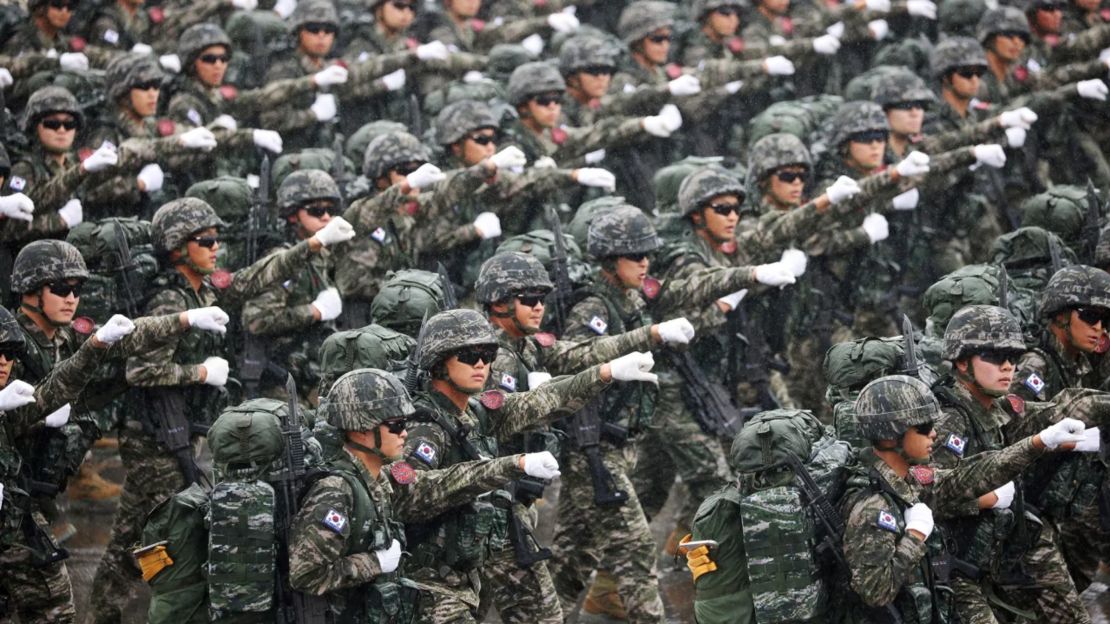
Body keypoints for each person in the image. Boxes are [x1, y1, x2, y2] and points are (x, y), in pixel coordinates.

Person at [91, 197, 354, 624]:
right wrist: (199, 371)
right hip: (154, 433)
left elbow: (252, 279)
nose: (217, 248)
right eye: (206, 240)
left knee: (148, 531)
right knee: (151, 534)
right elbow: (140, 371)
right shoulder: (168, 301)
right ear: (179, 247)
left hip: (182, 429)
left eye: (218, 239)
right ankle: (114, 612)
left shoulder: (205, 289)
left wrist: (314, 244)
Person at [400, 307, 657, 623]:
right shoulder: (422, 428)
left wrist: (605, 373)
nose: (482, 363)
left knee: (544, 614)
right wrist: (513, 465)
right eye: (468, 355)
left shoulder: (475, 412)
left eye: (488, 353)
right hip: (429, 572)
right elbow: (413, 495)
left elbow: (540, 402)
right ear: (439, 363)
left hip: (478, 543)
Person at [289, 367, 563, 622]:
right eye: (395, 425)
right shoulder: (336, 491)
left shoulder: (377, 477)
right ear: (361, 429)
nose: (405, 433)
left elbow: (443, 482)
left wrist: (517, 464)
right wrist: (373, 563)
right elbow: (306, 574)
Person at [840, 373, 1087, 622]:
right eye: (924, 427)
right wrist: (914, 537)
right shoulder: (873, 507)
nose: (934, 434)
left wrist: (1039, 442)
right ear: (889, 436)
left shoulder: (907, 480)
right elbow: (874, 592)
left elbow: (970, 473)